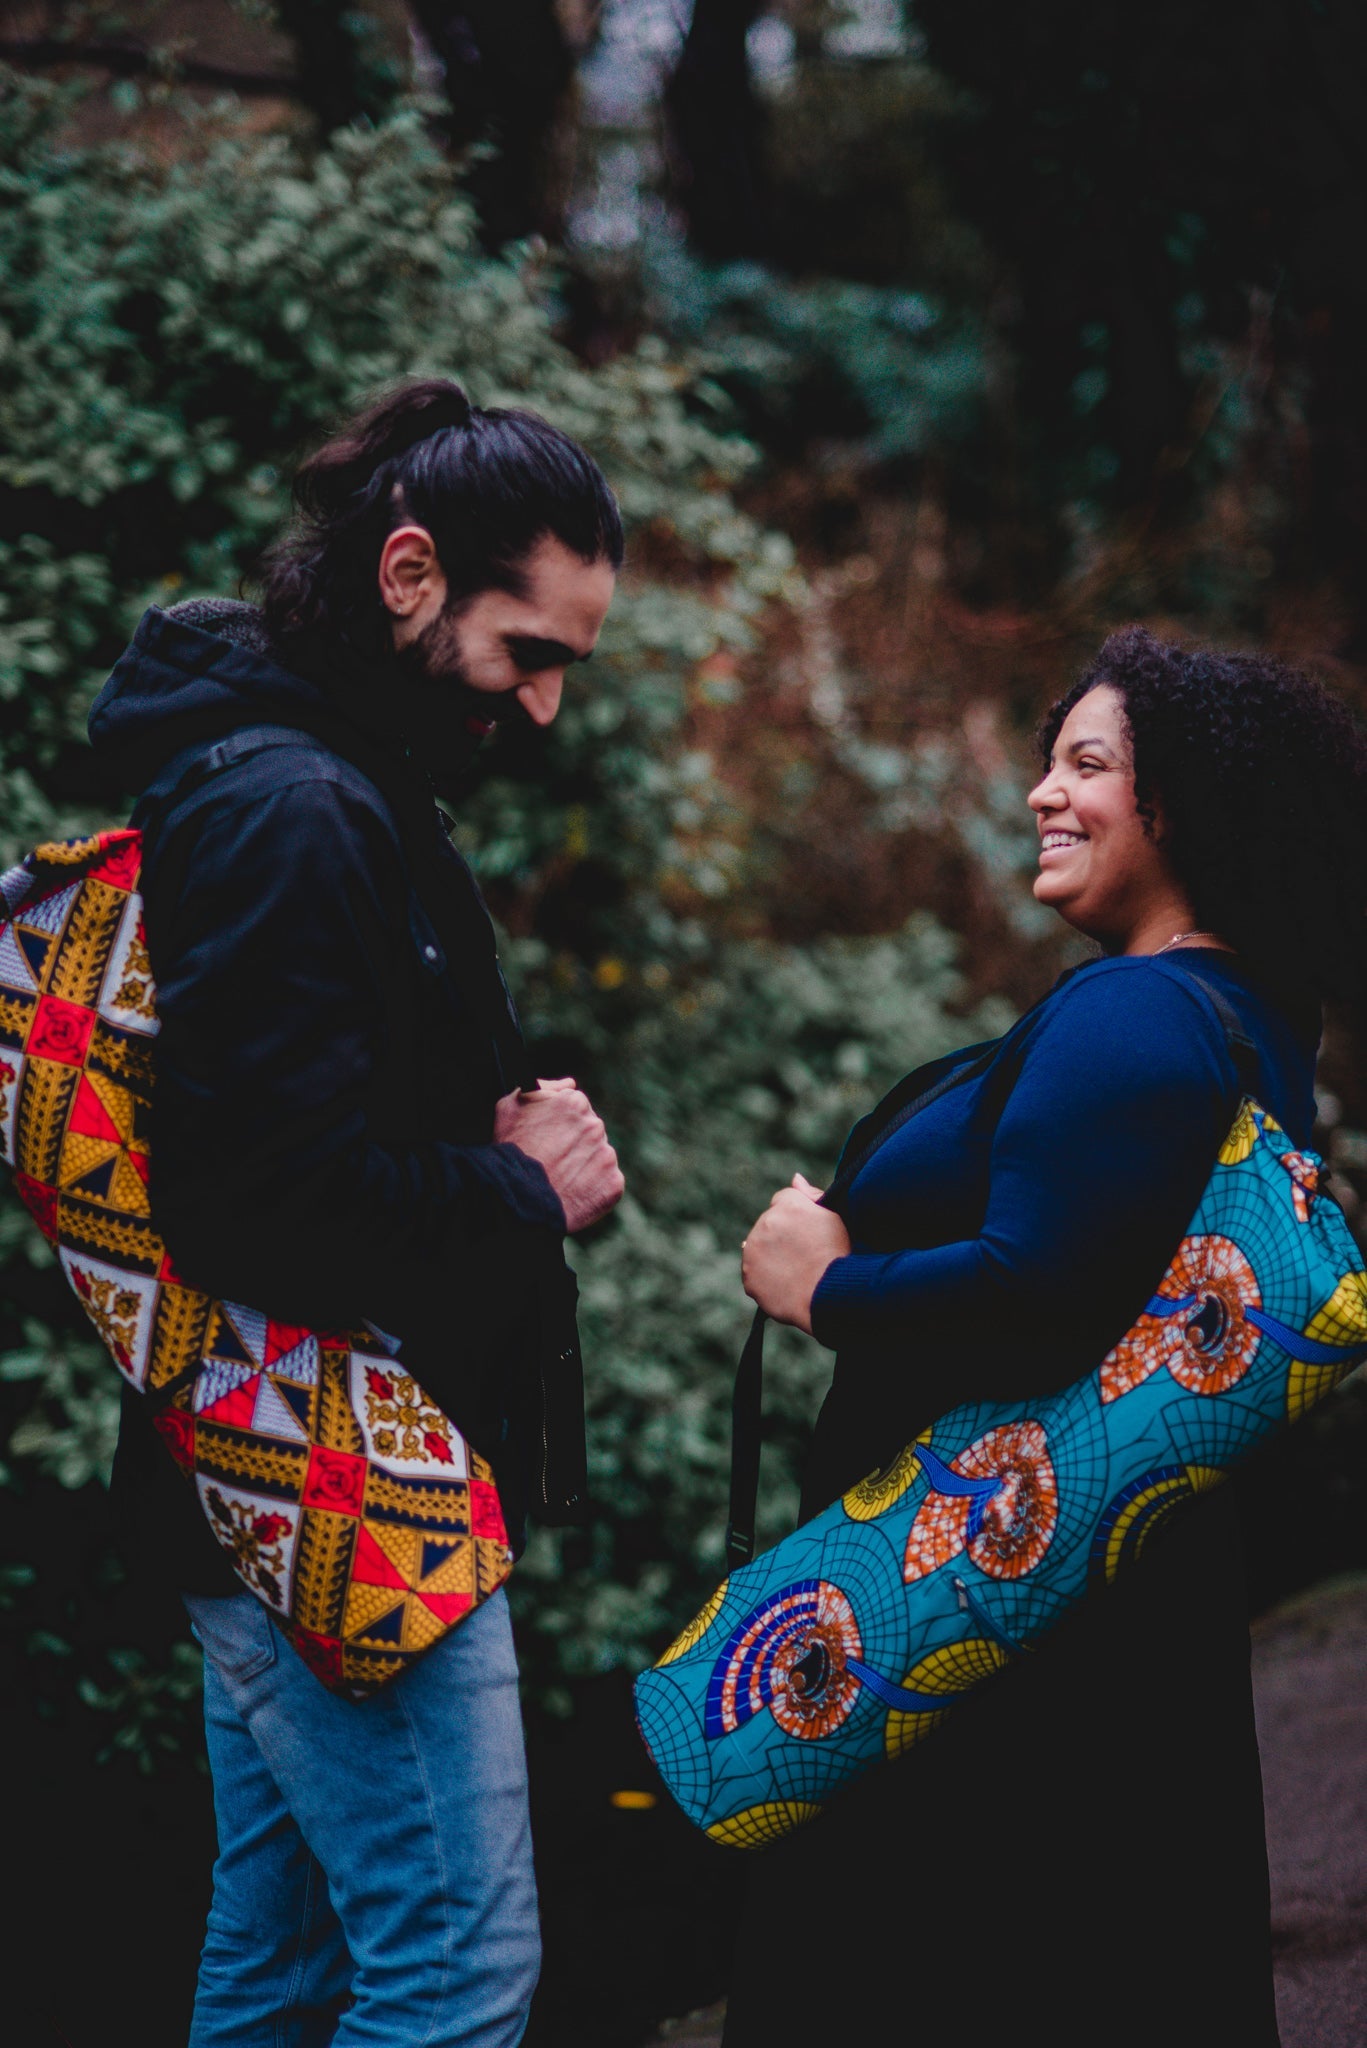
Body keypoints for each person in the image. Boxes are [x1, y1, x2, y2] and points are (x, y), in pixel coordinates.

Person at [725, 628, 1367, 2046]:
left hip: (992, 1622)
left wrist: (820, 1288)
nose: (1042, 793)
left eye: (1089, 764)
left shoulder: (1139, 1012)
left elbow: (1039, 1295)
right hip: (1092, 1593)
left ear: (1182, 805)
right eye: (1047, 761)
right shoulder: (1240, 1013)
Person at [86, 379, 627, 2047]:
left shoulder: (308, 780)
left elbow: (279, 1134)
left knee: (287, 1961)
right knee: (453, 1981)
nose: (541, 707)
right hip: (337, 1496)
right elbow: (259, 1209)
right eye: (526, 652)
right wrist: (521, 1188)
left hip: (262, 1484)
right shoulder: (293, 808)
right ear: (409, 574)